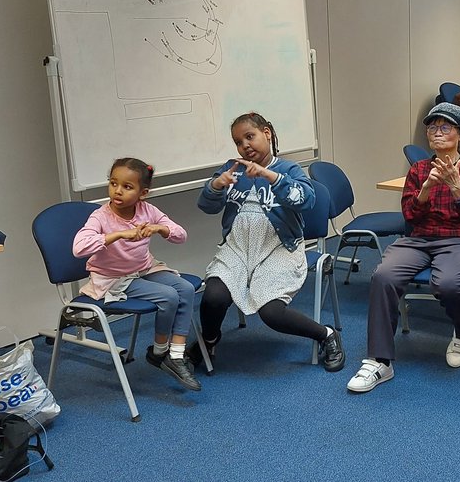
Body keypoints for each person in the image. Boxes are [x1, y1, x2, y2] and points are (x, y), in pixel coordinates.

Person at [346, 103, 460, 393]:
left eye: (445, 127)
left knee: (447, 283)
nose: (437, 133)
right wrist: (424, 189)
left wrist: (456, 187)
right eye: (432, 127)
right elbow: (410, 218)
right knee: (384, 276)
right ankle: (380, 360)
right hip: (420, 239)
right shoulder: (419, 169)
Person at [195, 112, 344, 372]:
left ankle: (326, 335)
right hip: (238, 249)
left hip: (278, 249)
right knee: (212, 297)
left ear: (267, 133)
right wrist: (216, 185)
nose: (245, 146)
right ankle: (209, 341)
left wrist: (270, 176)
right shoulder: (233, 169)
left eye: (250, 137)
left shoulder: (288, 169)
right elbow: (206, 206)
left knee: (271, 312)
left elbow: (306, 200)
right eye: (239, 142)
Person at [73, 158, 201, 391]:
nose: (117, 191)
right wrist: (119, 234)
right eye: (113, 183)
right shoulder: (101, 216)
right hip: (113, 279)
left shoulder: (147, 210)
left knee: (186, 289)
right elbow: (79, 247)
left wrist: (160, 229)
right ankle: (160, 353)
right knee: (169, 297)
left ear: (143, 193)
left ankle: (176, 354)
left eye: (127, 187)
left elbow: (180, 235)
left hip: (143, 269)